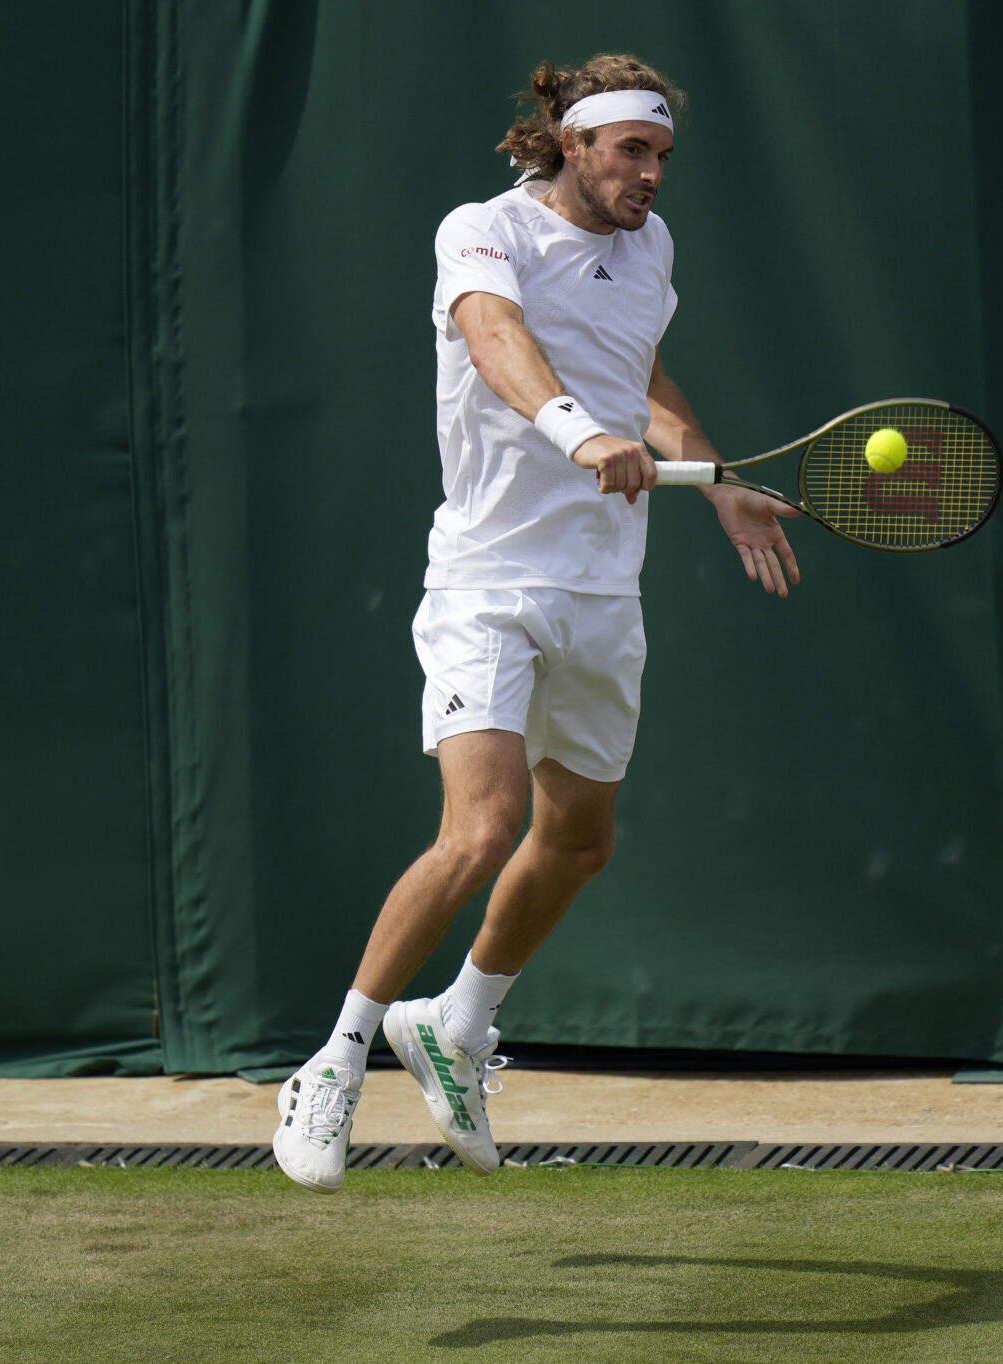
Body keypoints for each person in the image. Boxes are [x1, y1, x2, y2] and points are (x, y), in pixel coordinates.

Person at [273, 54, 800, 1192]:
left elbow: (640, 367)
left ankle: (456, 1024)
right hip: (488, 586)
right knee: (481, 827)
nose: (650, 174)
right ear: (569, 143)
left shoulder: (649, 249)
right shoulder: (481, 230)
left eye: (661, 155)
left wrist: (711, 477)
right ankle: (334, 1059)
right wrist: (575, 434)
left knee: (578, 841)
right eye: (630, 151)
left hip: (604, 592)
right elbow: (494, 337)